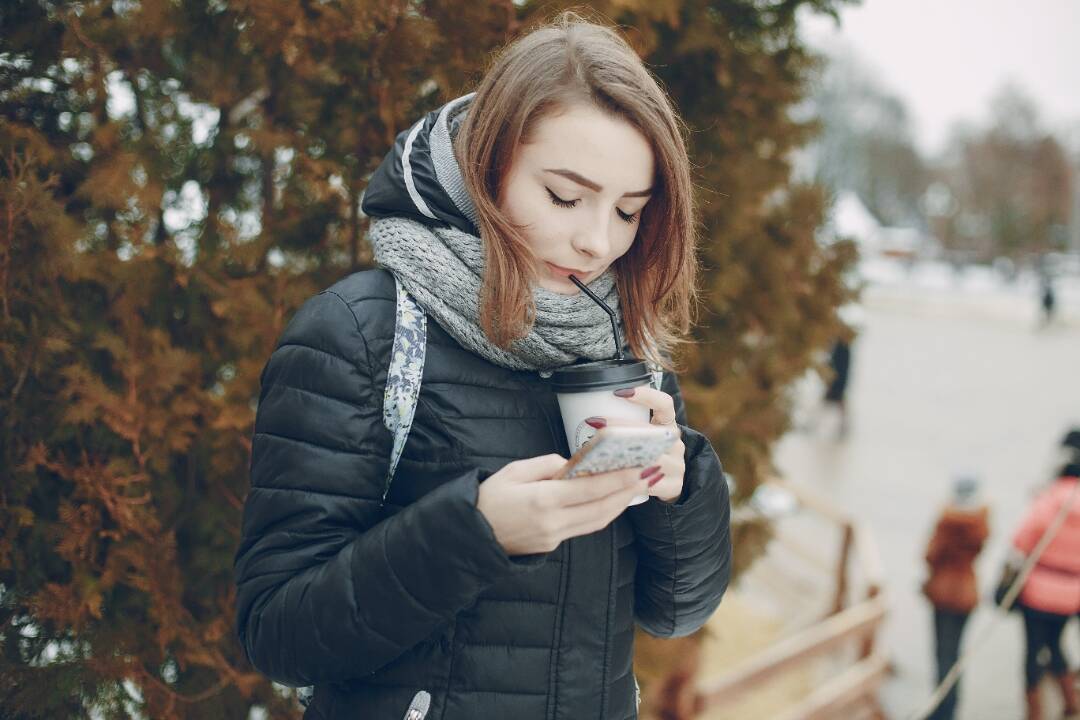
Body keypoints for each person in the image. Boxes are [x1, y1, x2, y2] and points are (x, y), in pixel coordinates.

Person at [233, 14, 732, 720]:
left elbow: (677, 612)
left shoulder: (620, 347)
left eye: (628, 211)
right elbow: (277, 632)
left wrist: (680, 491)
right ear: (486, 163)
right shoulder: (363, 334)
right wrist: (476, 532)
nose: (596, 242)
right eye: (565, 196)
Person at [1012, 461, 1080, 720]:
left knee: (1032, 650)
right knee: (1056, 643)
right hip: (1072, 592)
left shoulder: (1047, 502)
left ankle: (1034, 713)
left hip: (1038, 590)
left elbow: (1020, 540)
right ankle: (1071, 703)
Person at [921, 475, 989, 720]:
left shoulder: (947, 522)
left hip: (945, 591)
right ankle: (952, 708)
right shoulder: (980, 522)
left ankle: (941, 711)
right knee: (956, 654)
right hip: (968, 591)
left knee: (943, 654)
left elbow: (930, 555)